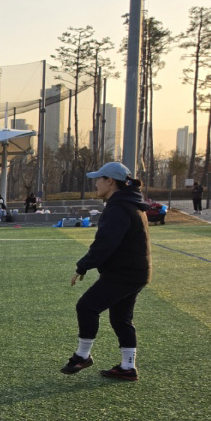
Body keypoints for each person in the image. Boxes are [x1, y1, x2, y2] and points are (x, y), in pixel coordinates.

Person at [61, 161, 151, 382]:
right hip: (136, 272)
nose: (95, 184)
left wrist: (83, 266)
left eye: (98, 179)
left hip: (124, 273)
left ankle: (82, 356)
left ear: (110, 181)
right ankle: (128, 366)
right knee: (121, 318)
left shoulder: (118, 207)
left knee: (87, 306)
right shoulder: (130, 203)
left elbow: (105, 243)